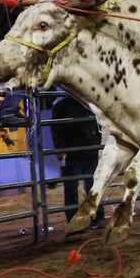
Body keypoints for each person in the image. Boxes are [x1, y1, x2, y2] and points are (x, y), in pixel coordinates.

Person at [51, 95, 106, 230]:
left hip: (89, 150)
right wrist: (60, 149)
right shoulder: (62, 104)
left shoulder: (89, 101)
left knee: (93, 185)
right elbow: (56, 128)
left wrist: (96, 142)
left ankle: (97, 218)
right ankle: (73, 220)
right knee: (71, 187)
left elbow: (97, 123)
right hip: (71, 153)